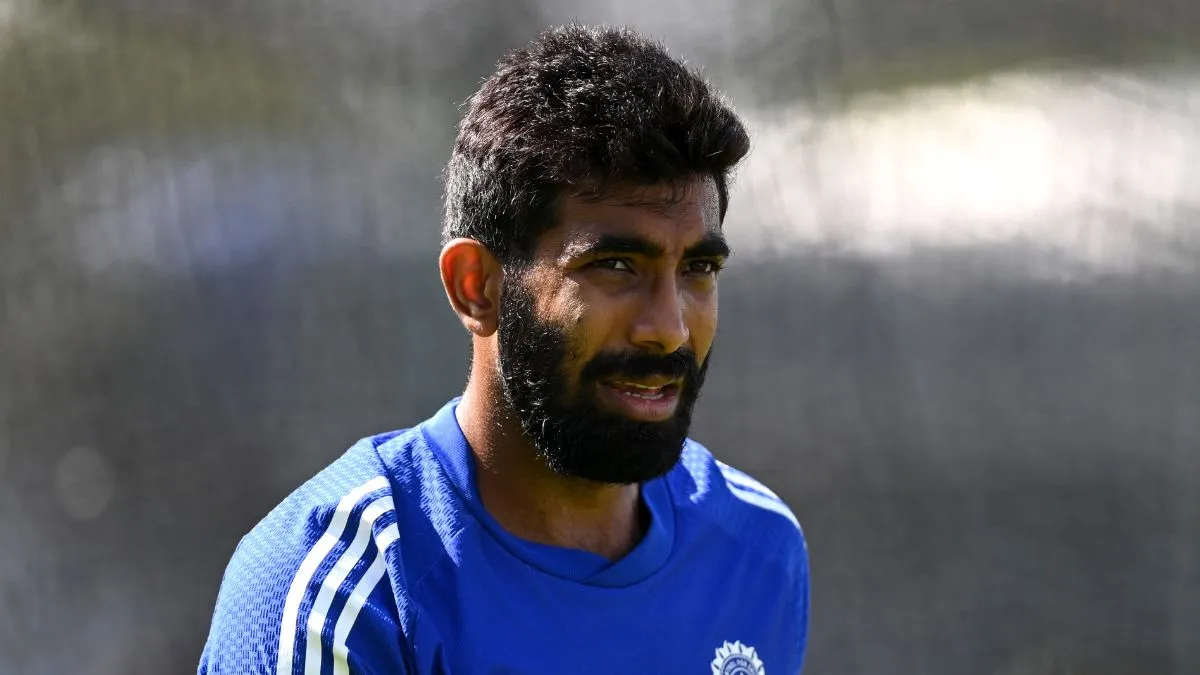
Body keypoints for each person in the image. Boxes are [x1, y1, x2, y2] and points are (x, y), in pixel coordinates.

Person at [198, 23, 809, 675]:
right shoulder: (350, 590)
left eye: (698, 269)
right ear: (477, 286)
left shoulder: (758, 549)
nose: (669, 329)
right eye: (615, 266)